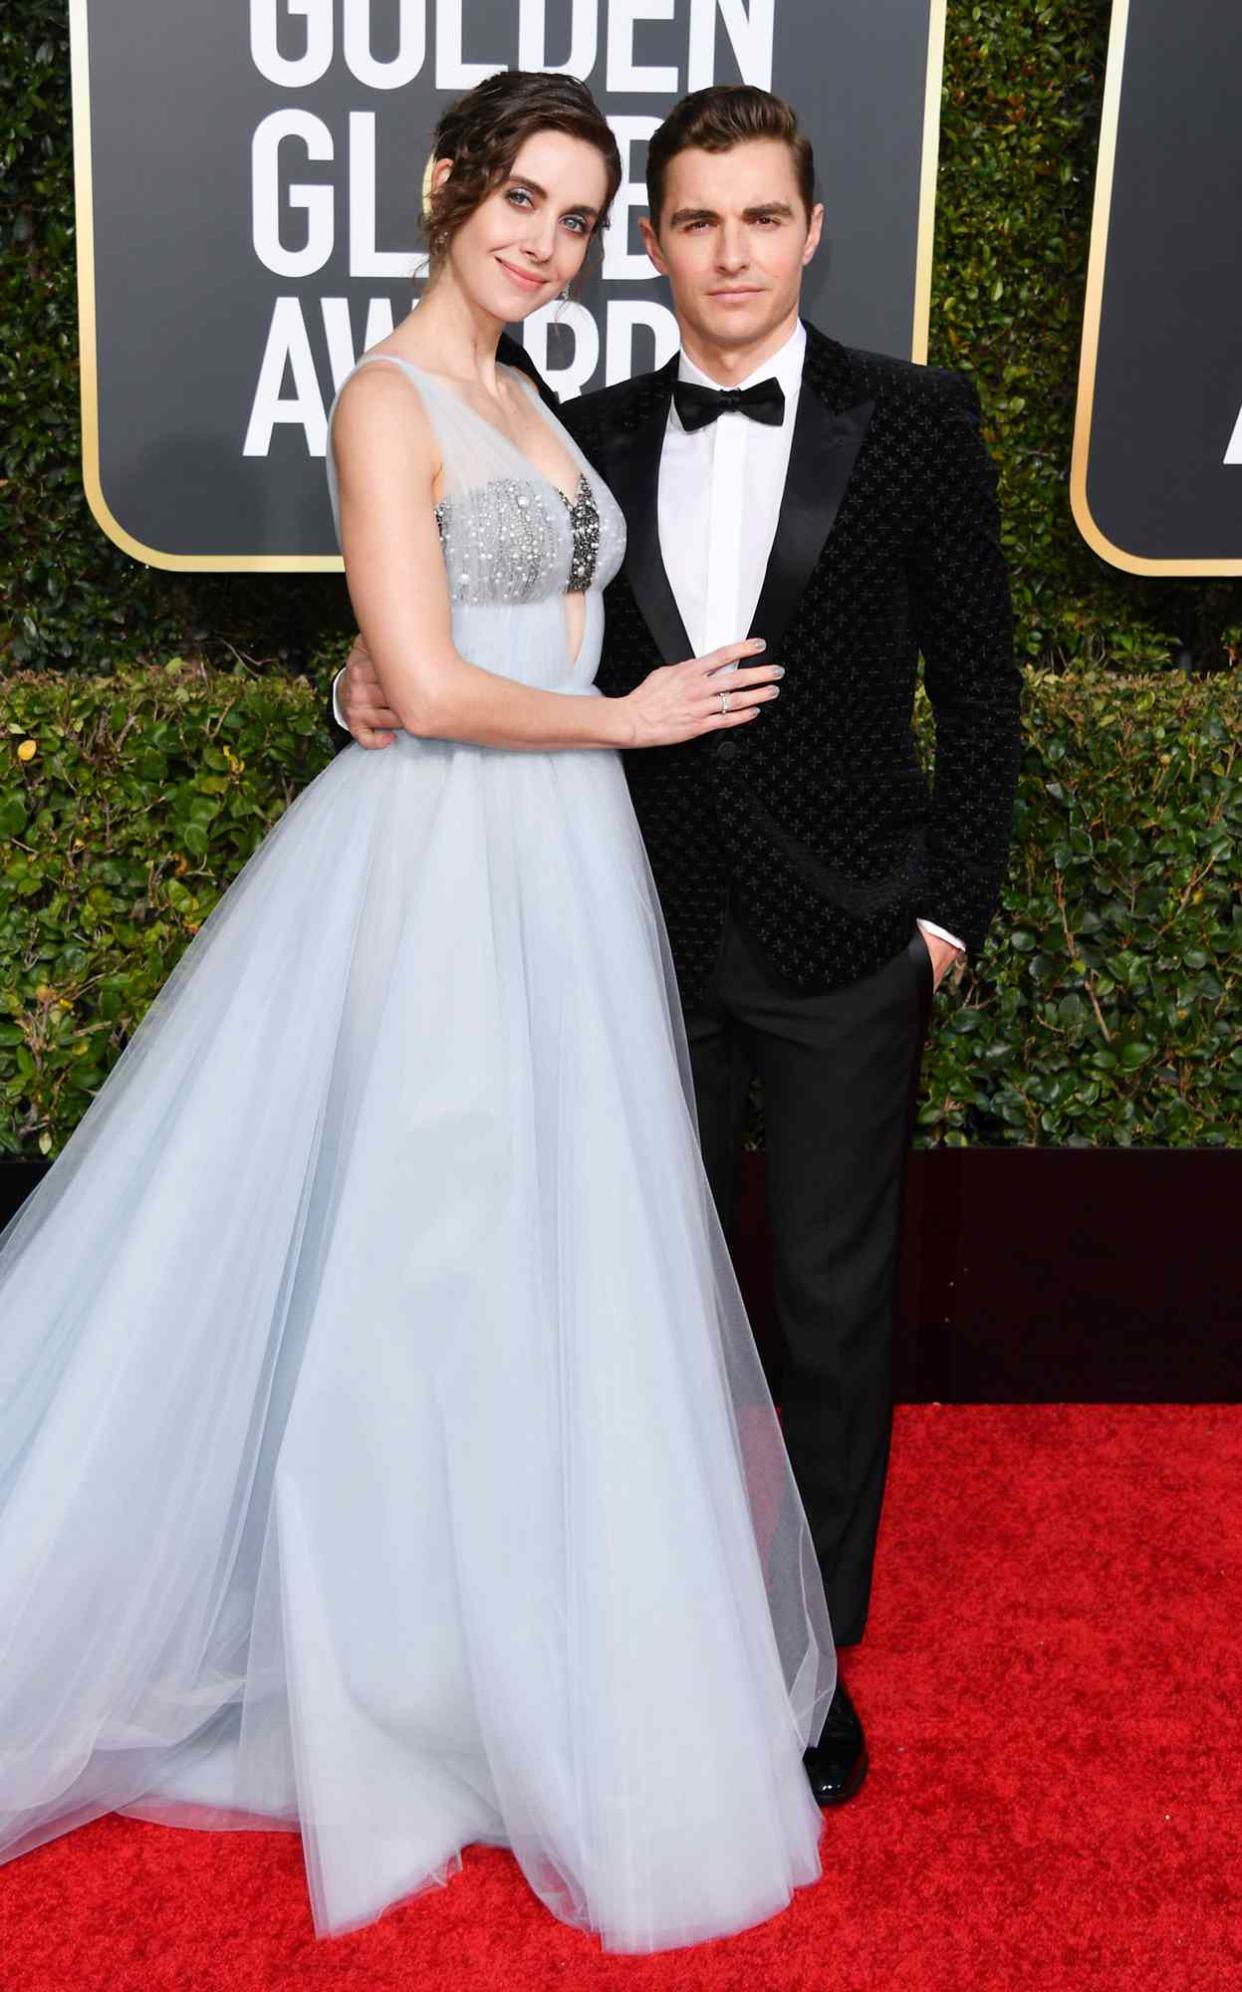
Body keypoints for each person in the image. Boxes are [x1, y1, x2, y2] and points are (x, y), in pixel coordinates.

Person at [0, 73, 837, 1951]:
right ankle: (382, 1682)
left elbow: (443, 649)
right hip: (447, 870)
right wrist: (600, 717)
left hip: (562, 874)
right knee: (421, 1263)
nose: (543, 237)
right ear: (450, 186)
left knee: (538, 1267)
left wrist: (403, 688)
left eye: (575, 211)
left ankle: (494, 1656)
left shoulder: (529, 396)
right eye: (519, 198)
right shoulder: (384, 397)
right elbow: (442, 682)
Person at [335, 84, 1021, 1808]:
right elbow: (484, 630)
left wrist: (943, 921)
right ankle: (628, 1631)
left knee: (827, 1316)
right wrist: (348, 684)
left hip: (852, 946)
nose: (728, 252)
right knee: (616, 1309)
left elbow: (986, 690)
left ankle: (804, 1672)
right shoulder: (581, 424)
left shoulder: (919, 421)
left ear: (810, 231)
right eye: (690, 220)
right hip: (622, 938)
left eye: (760, 218)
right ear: (652, 246)